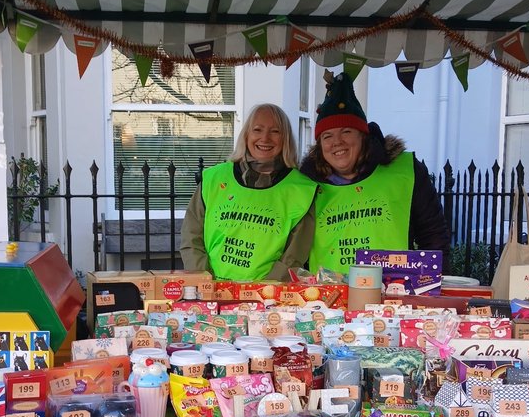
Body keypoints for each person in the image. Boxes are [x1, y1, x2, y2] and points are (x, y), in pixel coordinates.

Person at [300, 71, 450, 273]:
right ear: (320, 145)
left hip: (394, 296)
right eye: (327, 136)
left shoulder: (405, 171)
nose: (337, 142)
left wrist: (429, 287)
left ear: (363, 136)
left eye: (346, 131)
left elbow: (434, 238)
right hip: (327, 299)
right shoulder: (306, 183)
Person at [180, 104, 316, 280]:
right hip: (210, 293)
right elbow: (192, 238)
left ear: (286, 139)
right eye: (257, 129)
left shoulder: (301, 190)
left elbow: (293, 257)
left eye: (275, 131)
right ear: (246, 135)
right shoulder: (214, 178)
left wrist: (262, 293)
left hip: (265, 298)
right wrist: (205, 283)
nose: (265, 138)